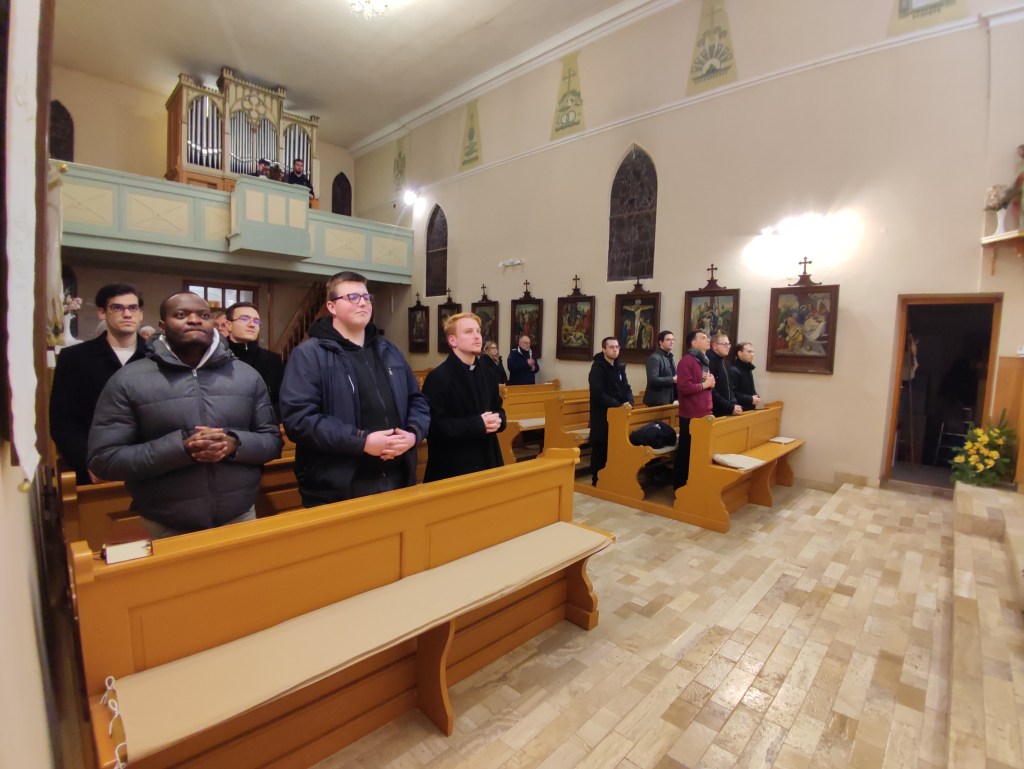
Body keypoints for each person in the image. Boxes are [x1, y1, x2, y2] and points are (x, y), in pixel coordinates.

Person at [88, 292, 283, 538]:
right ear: (162, 326)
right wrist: (181, 449)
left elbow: (272, 442)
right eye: (181, 315)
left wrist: (234, 443)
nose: (194, 320)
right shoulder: (128, 380)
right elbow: (105, 459)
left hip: (239, 515)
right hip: (165, 522)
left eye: (203, 315)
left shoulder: (246, 376)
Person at [280, 270, 430, 507]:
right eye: (352, 297)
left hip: (397, 477)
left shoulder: (389, 351)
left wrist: (413, 434)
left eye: (366, 297)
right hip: (339, 485)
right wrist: (362, 441)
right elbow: (299, 419)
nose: (363, 303)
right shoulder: (309, 354)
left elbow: (417, 400)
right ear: (331, 306)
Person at [50, 282, 150, 485]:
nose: (127, 314)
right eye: (117, 308)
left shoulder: (157, 356)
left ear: (140, 314)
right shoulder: (75, 358)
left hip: (149, 465)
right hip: (97, 469)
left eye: (133, 308)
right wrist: (88, 461)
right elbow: (63, 421)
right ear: (102, 313)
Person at [421, 313, 506, 482]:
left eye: (478, 331)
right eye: (468, 332)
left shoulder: (488, 373)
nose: (477, 336)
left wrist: (499, 420)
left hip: (488, 458)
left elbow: (498, 408)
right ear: (453, 341)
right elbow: (435, 426)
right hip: (454, 465)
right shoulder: (438, 377)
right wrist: (478, 424)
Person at [225, 302, 284, 418]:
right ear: (229, 325)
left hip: (264, 425)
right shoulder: (216, 358)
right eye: (244, 319)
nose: (252, 325)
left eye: (256, 321)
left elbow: (282, 402)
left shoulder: (273, 361)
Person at [588, 337, 634, 485]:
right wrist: (617, 405)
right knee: (601, 447)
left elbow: (626, 387)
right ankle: (597, 479)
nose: (615, 350)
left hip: (619, 414)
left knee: (614, 447)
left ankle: (612, 478)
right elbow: (598, 393)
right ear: (604, 349)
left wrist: (630, 401)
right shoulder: (597, 368)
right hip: (602, 414)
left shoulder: (619, 366)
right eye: (611, 347)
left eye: (617, 347)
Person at [674, 330, 715, 489]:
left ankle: (695, 485)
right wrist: (705, 385)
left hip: (704, 412)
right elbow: (684, 387)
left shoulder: (703, 361)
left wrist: (710, 383)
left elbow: (703, 383)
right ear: (693, 343)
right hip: (691, 414)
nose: (708, 340)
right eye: (703, 338)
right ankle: (680, 487)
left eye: (707, 337)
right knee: (686, 451)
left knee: (699, 453)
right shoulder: (687, 361)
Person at [709, 332, 742, 417]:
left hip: (727, 409)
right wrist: (729, 407)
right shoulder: (709, 362)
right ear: (714, 346)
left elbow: (730, 387)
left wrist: (733, 404)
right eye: (724, 344)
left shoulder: (725, 362)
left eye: (729, 344)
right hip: (715, 411)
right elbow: (711, 391)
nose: (728, 347)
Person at [643, 330, 677, 406]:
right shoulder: (654, 358)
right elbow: (653, 379)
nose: (672, 342)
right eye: (668, 340)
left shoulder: (669, 356)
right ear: (660, 342)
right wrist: (672, 379)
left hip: (669, 398)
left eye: (673, 340)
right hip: (657, 400)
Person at [729, 341, 761, 412]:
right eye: (749, 351)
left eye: (753, 352)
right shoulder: (733, 370)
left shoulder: (748, 368)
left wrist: (755, 395)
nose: (752, 354)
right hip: (739, 409)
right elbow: (732, 393)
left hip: (749, 408)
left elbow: (750, 388)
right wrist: (750, 399)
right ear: (739, 353)